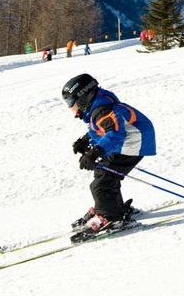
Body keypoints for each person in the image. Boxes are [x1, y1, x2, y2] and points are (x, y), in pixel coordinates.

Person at [61, 73, 156, 238]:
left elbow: (114, 134)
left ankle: (112, 217)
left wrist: (95, 152)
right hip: (129, 141)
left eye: (70, 102)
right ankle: (112, 208)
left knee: (101, 183)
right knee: (103, 173)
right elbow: (99, 129)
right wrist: (85, 140)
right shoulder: (97, 107)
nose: (70, 107)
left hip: (134, 142)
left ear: (83, 97)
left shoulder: (102, 109)